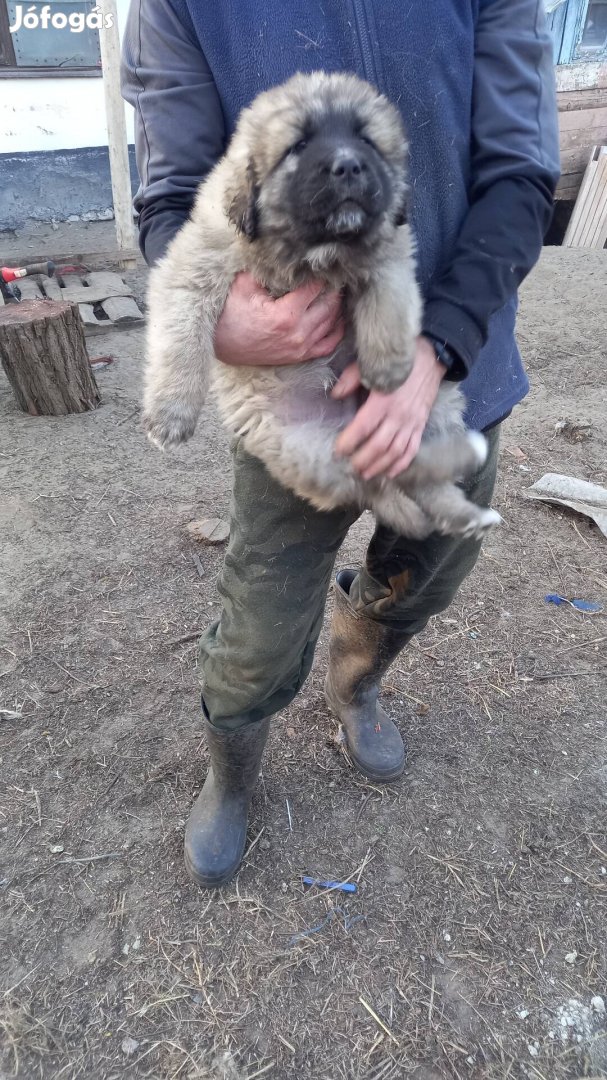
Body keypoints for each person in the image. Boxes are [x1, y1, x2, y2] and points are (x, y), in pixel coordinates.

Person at [121, 0, 560, 889]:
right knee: (259, 620)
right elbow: (172, 197)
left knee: (424, 568)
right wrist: (228, 327)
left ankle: (357, 680)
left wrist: (436, 353)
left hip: (455, 360)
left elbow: (519, 172)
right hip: (290, 386)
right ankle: (232, 766)